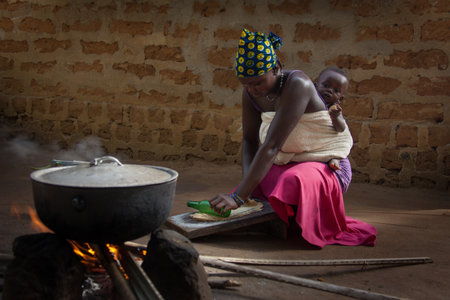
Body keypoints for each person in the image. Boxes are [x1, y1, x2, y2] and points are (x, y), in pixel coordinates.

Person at [209, 28, 376, 248]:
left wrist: (239, 197)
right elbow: (249, 140)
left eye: (258, 82)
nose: (252, 89)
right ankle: (275, 218)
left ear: (276, 68)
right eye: (245, 84)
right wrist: (246, 191)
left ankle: (291, 220)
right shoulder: (250, 92)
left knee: (291, 181)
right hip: (289, 160)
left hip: (327, 164)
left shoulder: (298, 84)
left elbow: (272, 145)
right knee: (257, 181)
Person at [315, 67, 352, 191]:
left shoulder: (333, 108)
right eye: (326, 85)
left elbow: (341, 129)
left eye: (336, 91)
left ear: (340, 99)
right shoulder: (306, 103)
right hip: (315, 146)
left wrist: (335, 117)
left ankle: (334, 159)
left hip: (329, 146)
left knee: (336, 152)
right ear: (315, 85)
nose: (329, 91)